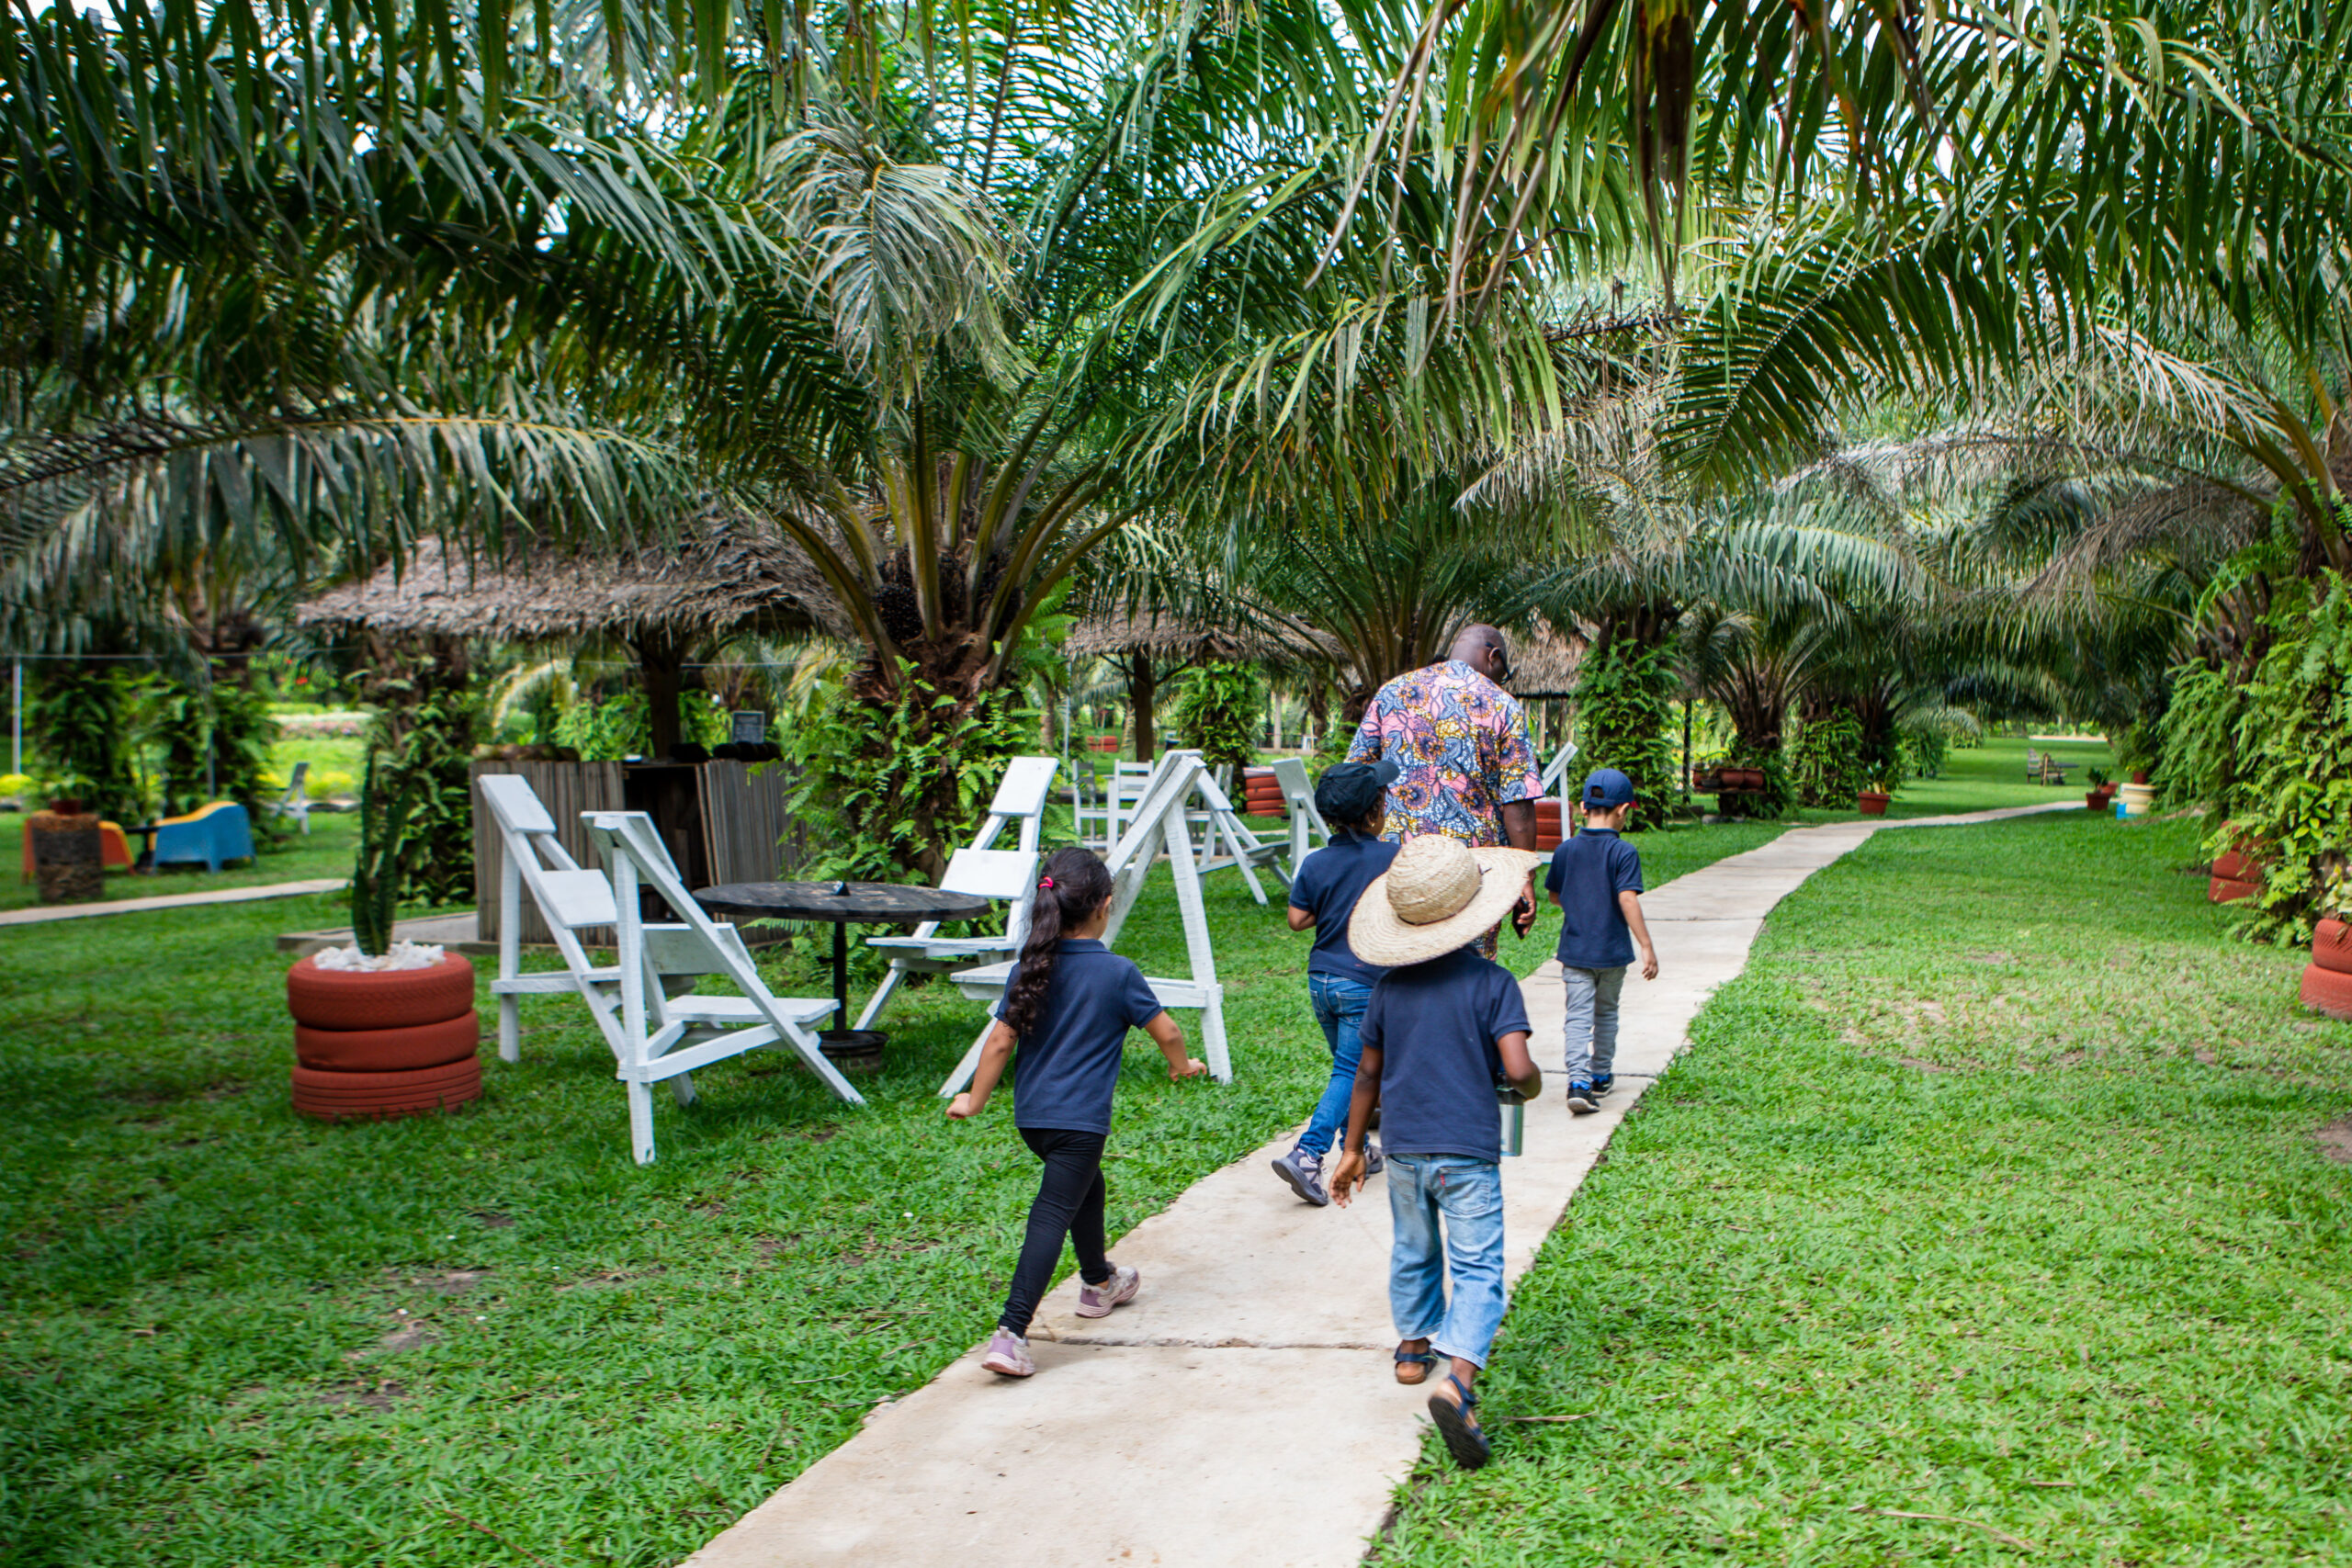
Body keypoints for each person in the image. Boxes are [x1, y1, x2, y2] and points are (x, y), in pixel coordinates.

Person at [1329, 834, 1546, 1471]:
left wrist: (1349, 1150)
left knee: (1413, 1245)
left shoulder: (1389, 991)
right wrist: (1527, 1084)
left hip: (1400, 1149)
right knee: (1477, 1267)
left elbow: (1365, 1076)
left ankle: (1410, 1349)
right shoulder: (1494, 983)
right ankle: (1458, 1381)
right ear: (1477, 912)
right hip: (1468, 1152)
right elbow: (1519, 1066)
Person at [949, 846, 1207, 1379]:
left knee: (1088, 1187)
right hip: (1079, 1123)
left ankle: (1098, 1283)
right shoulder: (1116, 972)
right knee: (1051, 1213)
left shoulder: (1031, 966)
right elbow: (1169, 1032)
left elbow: (1000, 1040)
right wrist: (1183, 1066)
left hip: (1034, 1120)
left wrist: (974, 1099)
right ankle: (1011, 1333)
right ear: (1103, 906)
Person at [1344, 624, 1545, 958]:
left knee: (1402, 966)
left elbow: (1357, 775)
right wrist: (1523, 876)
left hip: (1399, 867)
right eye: (1503, 673)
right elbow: (1519, 805)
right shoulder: (1502, 704)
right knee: (1469, 974)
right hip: (1472, 874)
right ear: (1493, 656)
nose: (1500, 680)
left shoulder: (1392, 692)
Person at [1272, 759, 1400, 1205]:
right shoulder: (1393, 856)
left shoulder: (1317, 861)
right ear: (1373, 814)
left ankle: (1360, 1146)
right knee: (1353, 1070)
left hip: (1321, 983)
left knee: (1350, 1068)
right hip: (1364, 983)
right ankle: (1308, 1154)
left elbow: (1296, 920)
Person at [1544, 768, 1659, 1114]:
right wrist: (1647, 945)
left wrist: (1581, 902)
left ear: (1582, 807)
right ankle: (1601, 1074)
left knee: (1577, 1016)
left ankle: (1577, 1082)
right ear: (1623, 811)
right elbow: (1627, 899)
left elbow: (1554, 896)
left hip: (1576, 952)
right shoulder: (1623, 853)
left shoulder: (1565, 850)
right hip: (1612, 953)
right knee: (1606, 1013)